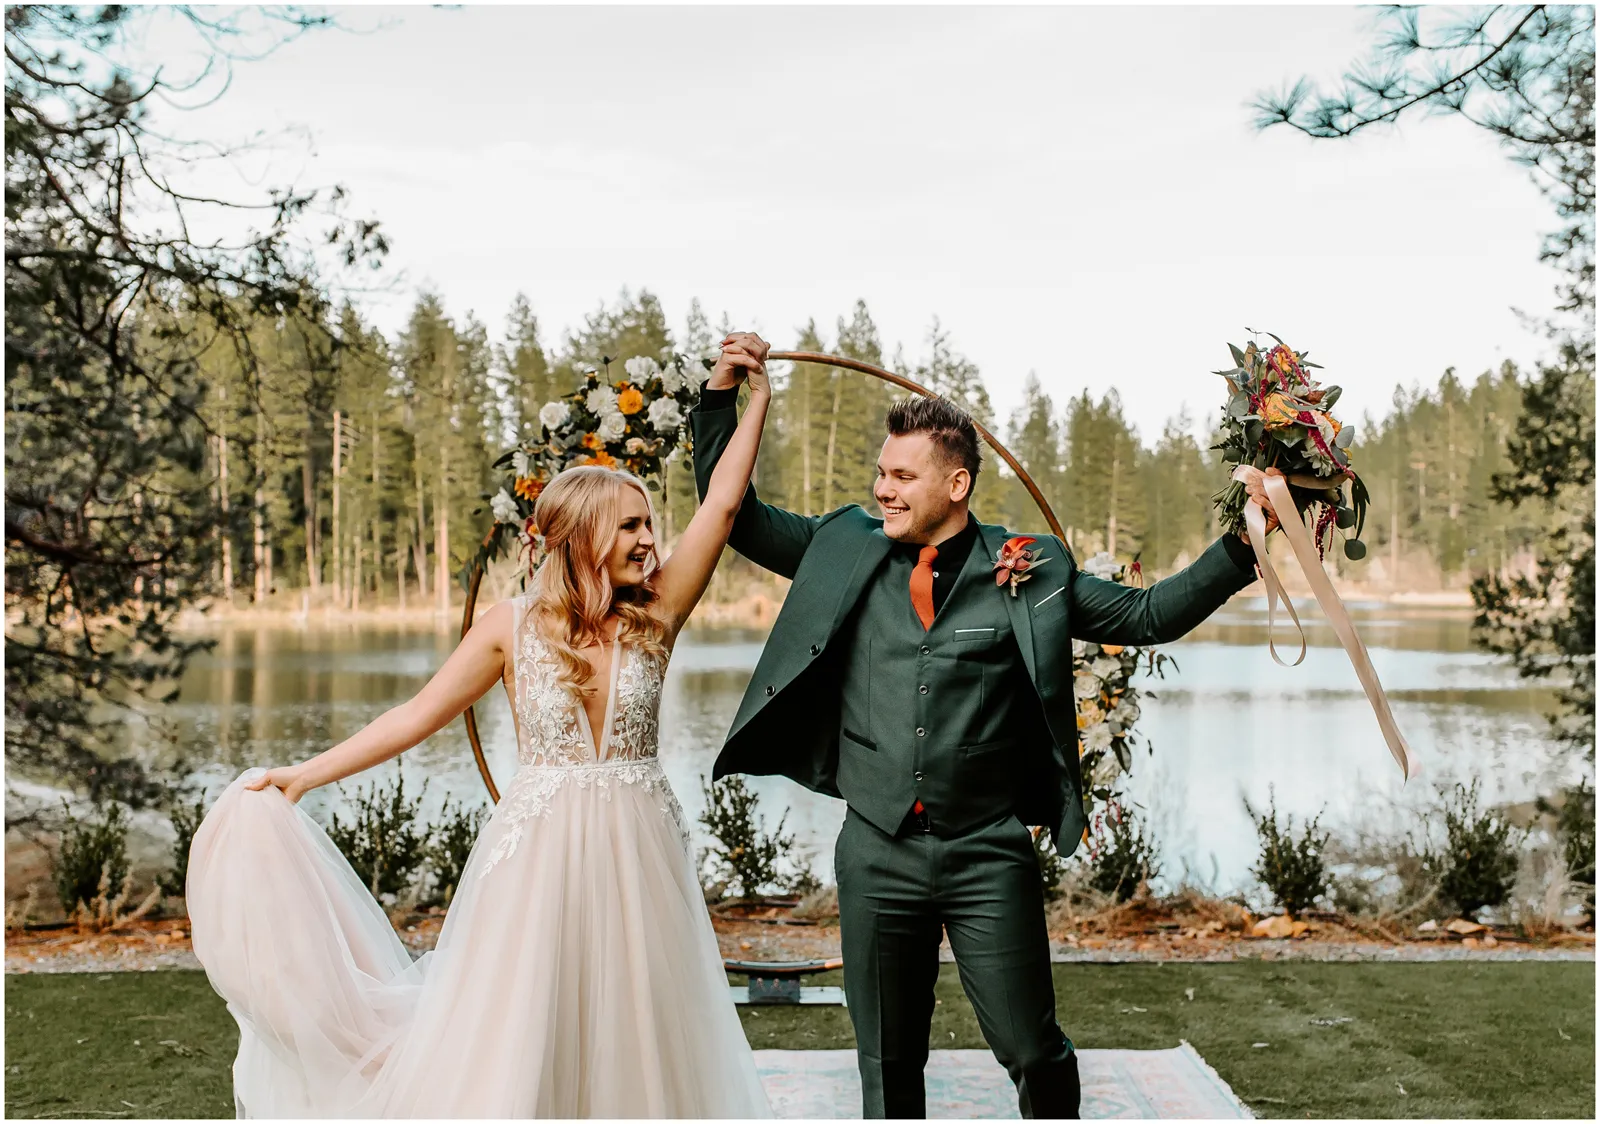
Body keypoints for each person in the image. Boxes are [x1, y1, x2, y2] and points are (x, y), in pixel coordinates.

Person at [186, 336, 778, 1118]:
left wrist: (752, 399)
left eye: (647, 523)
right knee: (523, 1028)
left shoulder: (658, 613)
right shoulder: (510, 625)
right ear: (581, 538)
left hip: (640, 856)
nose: (648, 539)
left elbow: (724, 506)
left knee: (638, 1025)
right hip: (538, 862)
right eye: (629, 526)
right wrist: (303, 776)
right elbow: (415, 716)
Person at [692, 332, 1274, 1119]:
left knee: (1034, 1050)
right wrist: (720, 401)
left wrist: (1243, 545)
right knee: (887, 1064)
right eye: (880, 473)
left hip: (987, 854)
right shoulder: (841, 546)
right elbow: (733, 514)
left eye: (903, 476)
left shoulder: (1030, 569)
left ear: (956, 483)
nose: (883, 489)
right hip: (876, 850)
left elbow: (1147, 615)